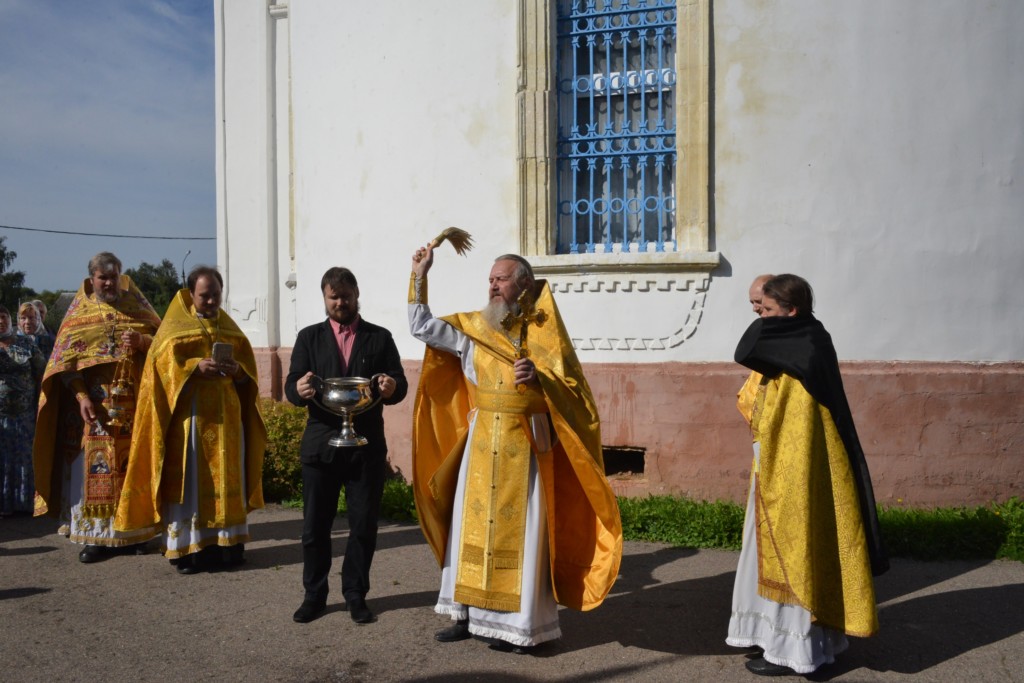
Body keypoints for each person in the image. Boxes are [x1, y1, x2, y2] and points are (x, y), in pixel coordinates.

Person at [408, 245, 622, 653]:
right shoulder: (473, 330)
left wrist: (541, 378)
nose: (492, 285)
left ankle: (521, 628)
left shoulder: (546, 335)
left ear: (524, 286)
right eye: (490, 279)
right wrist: (420, 275)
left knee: (523, 535)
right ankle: (464, 614)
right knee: (468, 531)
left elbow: (577, 395)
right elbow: (420, 326)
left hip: (526, 445)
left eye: (501, 279)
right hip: (481, 441)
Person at [726, 273, 888, 676]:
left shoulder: (808, 347)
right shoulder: (789, 346)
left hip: (797, 475)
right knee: (765, 555)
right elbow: (754, 388)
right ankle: (769, 639)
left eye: (765, 309)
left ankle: (798, 652)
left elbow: (798, 422)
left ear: (792, 310)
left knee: (799, 553)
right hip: (773, 468)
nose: (759, 317)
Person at [114, 266, 267, 574]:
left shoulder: (230, 327)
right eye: (204, 295)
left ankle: (228, 548)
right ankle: (189, 551)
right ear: (190, 294)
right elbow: (159, 365)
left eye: (215, 295)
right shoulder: (174, 327)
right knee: (193, 483)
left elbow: (248, 373)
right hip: (191, 420)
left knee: (227, 478)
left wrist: (237, 371)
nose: (210, 301)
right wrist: (195, 366)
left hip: (227, 419)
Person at [286, 267, 408, 624]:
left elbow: (398, 382)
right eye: (333, 297)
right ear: (325, 298)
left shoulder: (379, 337)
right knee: (314, 528)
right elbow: (293, 384)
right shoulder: (308, 338)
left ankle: (356, 594)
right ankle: (314, 595)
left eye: (346, 296)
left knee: (364, 526)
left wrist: (390, 387)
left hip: (365, 447)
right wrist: (299, 389)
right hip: (320, 446)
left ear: (357, 295)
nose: (341, 302)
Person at [32, 252, 162, 562]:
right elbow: (64, 363)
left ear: (121, 276)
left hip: (134, 405)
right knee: (95, 470)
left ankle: (134, 533)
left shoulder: (138, 307)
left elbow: (165, 343)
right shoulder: (79, 314)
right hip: (94, 407)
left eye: (113, 276)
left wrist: (142, 342)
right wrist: (81, 397)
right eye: (102, 277)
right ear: (92, 279)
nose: (108, 282)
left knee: (132, 466)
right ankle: (97, 539)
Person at [0, 305, 46, 517]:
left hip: (25, 414)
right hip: (1, 418)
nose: (1, 322)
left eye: (4, 317)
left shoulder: (26, 343)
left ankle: (25, 504)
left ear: (11, 320)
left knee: (25, 459)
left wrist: (41, 405)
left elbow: (41, 374)